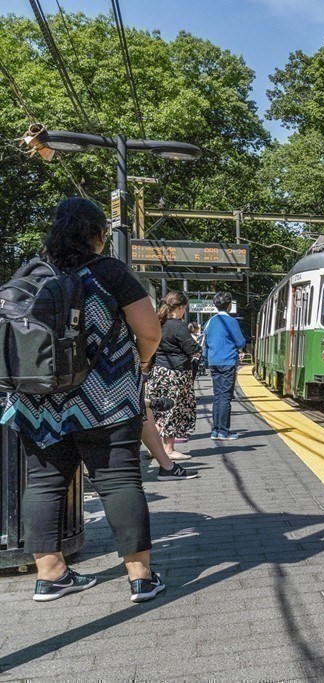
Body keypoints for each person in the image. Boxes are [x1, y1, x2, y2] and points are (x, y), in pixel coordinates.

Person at [1, 198, 165, 602]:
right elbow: (150, 332)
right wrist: (141, 363)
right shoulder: (109, 272)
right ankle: (140, 577)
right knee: (119, 480)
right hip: (105, 398)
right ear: (97, 234)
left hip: (37, 399)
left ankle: (50, 574)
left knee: (43, 482)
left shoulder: (33, 271)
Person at [149, 291, 202, 458]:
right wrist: (198, 346)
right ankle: (168, 450)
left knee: (159, 411)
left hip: (159, 371)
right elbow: (192, 349)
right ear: (179, 307)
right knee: (173, 410)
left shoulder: (159, 322)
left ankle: (153, 449)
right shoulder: (178, 326)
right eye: (184, 308)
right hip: (176, 374)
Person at [204, 291, 246, 441]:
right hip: (227, 362)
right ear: (229, 306)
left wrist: (206, 360)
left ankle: (215, 430)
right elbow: (240, 342)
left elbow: (206, 344)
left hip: (213, 361)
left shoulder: (209, 322)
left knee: (217, 396)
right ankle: (223, 431)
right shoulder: (231, 322)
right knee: (225, 397)